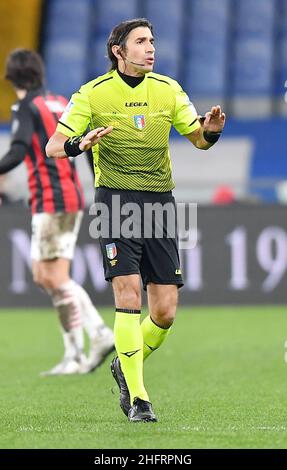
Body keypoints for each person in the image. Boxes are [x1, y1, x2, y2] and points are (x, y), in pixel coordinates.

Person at [46, 18, 226, 421]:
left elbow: (197, 138)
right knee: (127, 293)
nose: (151, 48)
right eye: (141, 41)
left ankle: (124, 365)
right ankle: (140, 399)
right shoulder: (92, 94)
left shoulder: (168, 89)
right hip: (115, 202)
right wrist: (80, 142)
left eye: (152, 41)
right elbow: (53, 146)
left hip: (160, 203)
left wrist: (210, 132)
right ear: (118, 50)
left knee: (164, 311)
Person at [0, 49, 114, 376]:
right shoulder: (61, 102)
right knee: (43, 276)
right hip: (69, 194)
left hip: (51, 199)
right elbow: (88, 146)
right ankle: (74, 353)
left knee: (54, 277)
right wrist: (97, 185)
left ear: (11, 78)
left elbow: (19, 150)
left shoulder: (25, 107)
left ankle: (96, 336)